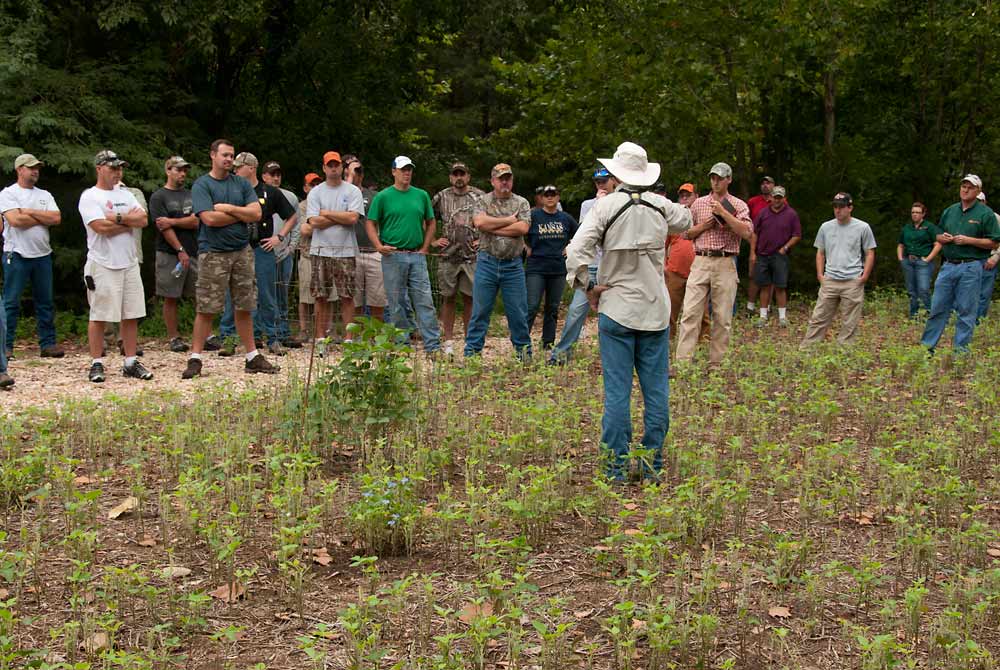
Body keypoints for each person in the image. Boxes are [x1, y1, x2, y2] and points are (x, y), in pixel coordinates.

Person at [565, 141, 691, 482]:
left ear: (617, 173)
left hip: (617, 309)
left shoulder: (605, 208)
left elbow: (575, 251)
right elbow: (687, 219)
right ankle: (652, 466)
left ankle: (616, 469)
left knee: (617, 394)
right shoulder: (661, 205)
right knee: (657, 393)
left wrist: (587, 288)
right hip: (654, 310)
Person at [181, 139, 277, 378]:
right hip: (213, 252)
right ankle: (195, 358)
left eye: (231, 155)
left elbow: (256, 213)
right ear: (212, 155)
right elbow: (209, 220)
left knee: (245, 304)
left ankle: (252, 356)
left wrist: (226, 208)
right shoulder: (202, 184)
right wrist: (240, 214)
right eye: (224, 154)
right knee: (207, 307)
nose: (228, 159)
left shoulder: (241, 184)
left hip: (242, 251)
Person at [78, 150, 152, 382]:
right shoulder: (90, 196)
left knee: (131, 313)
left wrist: (116, 218)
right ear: (99, 168)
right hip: (102, 263)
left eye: (119, 168)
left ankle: (130, 361)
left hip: (128, 262)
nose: (117, 172)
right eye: (112, 168)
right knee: (99, 314)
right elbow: (100, 226)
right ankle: (96, 362)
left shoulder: (126, 194)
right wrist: (126, 222)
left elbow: (143, 220)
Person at [219, 152, 297, 356]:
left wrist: (279, 237)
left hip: (261, 248)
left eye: (238, 167)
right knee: (233, 295)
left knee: (266, 294)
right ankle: (229, 339)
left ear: (251, 168)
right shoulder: (231, 190)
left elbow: (291, 216)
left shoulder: (269, 192)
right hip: (235, 247)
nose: (234, 170)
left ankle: (272, 337)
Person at [674, 162, 752, 365]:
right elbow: (685, 233)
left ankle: (717, 363)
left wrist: (724, 214)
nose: (716, 182)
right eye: (713, 178)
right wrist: (705, 225)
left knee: (722, 316)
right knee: (690, 312)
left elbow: (747, 232)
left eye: (720, 178)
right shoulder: (698, 204)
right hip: (700, 260)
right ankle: (683, 361)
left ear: (729, 180)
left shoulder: (739, 205)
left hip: (726, 261)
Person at [365, 156, 441, 352]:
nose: (407, 173)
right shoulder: (382, 197)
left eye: (409, 169)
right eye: (403, 169)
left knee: (424, 301)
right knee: (396, 302)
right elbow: (370, 222)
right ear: (393, 172)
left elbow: (431, 221)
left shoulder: (421, 195)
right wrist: (378, 245)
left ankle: (432, 347)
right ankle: (402, 345)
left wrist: (426, 247)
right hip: (393, 255)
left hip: (417, 254)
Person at [920, 175, 1000, 354]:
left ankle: (960, 355)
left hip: (971, 266)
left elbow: (994, 242)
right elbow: (938, 234)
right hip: (948, 265)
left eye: (970, 187)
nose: (965, 190)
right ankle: (926, 350)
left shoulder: (986, 214)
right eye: (963, 186)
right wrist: (942, 238)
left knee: (966, 311)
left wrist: (969, 240)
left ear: (978, 191)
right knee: (937, 308)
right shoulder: (950, 210)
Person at [463, 163, 532, 359]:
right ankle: (472, 356)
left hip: (513, 265)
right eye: (500, 178)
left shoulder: (521, 202)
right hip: (487, 263)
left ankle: (524, 355)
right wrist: (510, 220)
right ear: (492, 181)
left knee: (518, 313)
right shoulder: (483, 201)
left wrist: (492, 227)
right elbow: (479, 222)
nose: (504, 182)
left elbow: (523, 229)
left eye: (508, 178)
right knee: (480, 312)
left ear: (512, 180)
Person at [0, 153, 64, 362]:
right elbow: (15, 220)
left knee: (45, 301)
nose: (35, 171)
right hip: (16, 253)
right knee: (11, 302)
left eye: (37, 167)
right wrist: (40, 217)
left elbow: (56, 218)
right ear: (19, 169)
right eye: (30, 167)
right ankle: (6, 347)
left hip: (42, 254)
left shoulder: (44, 194)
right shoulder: (8, 193)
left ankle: (48, 344)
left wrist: (28, 211)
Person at [548, 168, 611, 364]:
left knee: (611, 314)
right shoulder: (588, 205)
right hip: (592, 265)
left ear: (613, 181)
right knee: (576, 311)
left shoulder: (621, 203)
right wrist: (599, 205)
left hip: (611, 266)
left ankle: (611, 357)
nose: (601, 185)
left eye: (604, 181)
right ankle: (560, 355)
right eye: (597, 182)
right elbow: (587, 231)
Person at [800, 192, 877, 346]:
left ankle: (844, 353)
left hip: (852, 280)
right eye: (835, 206)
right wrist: (820, 275)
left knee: (850, 322)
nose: (837, 210)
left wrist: (864, 276)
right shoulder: (825, 227)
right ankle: (807, 350)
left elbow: (870, 252)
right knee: (818, 317)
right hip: (830, 280)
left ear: (850, 208)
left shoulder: (863, 227)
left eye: (841, 207)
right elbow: (820, 252)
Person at [306, 151, 365, 347]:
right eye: (329, 165)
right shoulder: (316, 192)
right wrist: (340, 216)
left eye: (336, 165)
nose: (333, 168)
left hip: (346, 251)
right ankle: (321, 338)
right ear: (324, 168)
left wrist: (326, 213)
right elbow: (313, 221)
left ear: (342, 167)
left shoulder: (352, 191)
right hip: (320, 251)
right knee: (320, 296)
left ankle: (348, 339)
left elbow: (353, 219)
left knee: (347, 296)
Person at [432, 162, 484, 355]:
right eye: (455, 174)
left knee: (470, 298)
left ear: (468, 176)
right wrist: (433, 240)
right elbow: (425, 217)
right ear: (450, 177)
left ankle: (470, 342)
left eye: (462, 174)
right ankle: (448, 342)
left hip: (472, 256)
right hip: (448, 256)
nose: (459, 177)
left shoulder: (480, 196)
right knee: (448, 298)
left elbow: (492, 218)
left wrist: (484, 239)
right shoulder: (441, 196)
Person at [149, 155, 199, 352]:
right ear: (168, 170)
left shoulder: (191, 194)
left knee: (198, 295)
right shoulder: (159, 197)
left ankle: (202, 335)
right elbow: (162, 226)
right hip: (169, 252)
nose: (182, 174)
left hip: (194, 250)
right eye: (178, 170)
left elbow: (196, 221)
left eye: (185, 170)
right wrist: (179, 250)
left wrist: (174, 221)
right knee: (170, 296)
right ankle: (174, 337)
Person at [525, 185, 577, 350]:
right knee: (532, 305)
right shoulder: (533, 216)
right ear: (541, 198)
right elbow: (519, 232)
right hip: (536, 267)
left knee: (552, 308)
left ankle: (548, 342)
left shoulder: (565, 218)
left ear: (558, 197)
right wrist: (525, 247)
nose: (549, 198)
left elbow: (582, 234)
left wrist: (570, 246)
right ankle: (522, 341)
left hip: (558, 268)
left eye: (552, 195)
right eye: (546, 195)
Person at [261, 160, 302, 348]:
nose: (276, 177)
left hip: (284, 253)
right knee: (262, 294)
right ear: (264, 176)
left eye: (278, 174)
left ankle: (283, 332)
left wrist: (290, 248)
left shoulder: (290, 197)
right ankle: (260, 333)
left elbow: (296, 224)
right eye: (272, 174)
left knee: (282, 294)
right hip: (262, 251)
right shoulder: (256, 195)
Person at [751, 185, 801, 327]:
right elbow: (755, 233)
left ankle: (782, 317)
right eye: (775, 197)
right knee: (764, 286)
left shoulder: (791, 214)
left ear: (784, 199)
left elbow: (797, 235)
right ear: (771, 198)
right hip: (762, 254)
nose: (777, 200)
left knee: (780, 286)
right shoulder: (763, 213)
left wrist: (785, 248)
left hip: (780, 255)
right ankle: (763, 316)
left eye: (780, 197)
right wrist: (753, 252)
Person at [664, 182, 709, 341]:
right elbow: (663, 244)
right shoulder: (674, 218)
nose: (684, 198)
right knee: (670, 311)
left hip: (698, 271)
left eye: (688, 195)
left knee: (701, 312)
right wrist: (664, 266)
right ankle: (667, 342)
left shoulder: (703, 215)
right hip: (674, 271)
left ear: (696, 196)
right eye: (682, 196)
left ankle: (703, 343)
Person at [344, 156, 387, 323]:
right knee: (353, 300)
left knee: (377, 300)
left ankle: (376, 337)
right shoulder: (341, 192)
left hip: (373, 252)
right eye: (352, 170)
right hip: (350, 252)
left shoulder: (375, 195)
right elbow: (342, 206)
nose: (357, 174)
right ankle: (354, 338)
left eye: (359, 170)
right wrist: (349, 179)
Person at [896, 202, 939, 318]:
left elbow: (938, 244)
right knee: (911, 290)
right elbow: (900, 245)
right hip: (908, 261)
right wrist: (901, 259)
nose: (915, 215)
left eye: (918, 212)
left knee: (923, 289)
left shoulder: (929, 227)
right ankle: (913, 315)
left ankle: (929, 314)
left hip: (923, 262)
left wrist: (928, 259)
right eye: (913, 212)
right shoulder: (907, 228)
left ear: (923, 214)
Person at [295, 173, 323, 337]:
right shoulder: (302, 207)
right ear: (305, 188)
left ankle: (330, 330)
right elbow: (305, 230)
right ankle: (303, 329)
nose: (315, 188)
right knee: (305, 295)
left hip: (327, 255)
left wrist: (318, 224)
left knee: (329, 294)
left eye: (318, 184)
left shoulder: (327, 202)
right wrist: (328, 223)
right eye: (312, 185)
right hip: (307, 254)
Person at [745, 176, 775, 316]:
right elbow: (746, 221)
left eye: (768, 183)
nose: (765, 185)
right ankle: (750, 307)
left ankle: (767, 307)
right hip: (756, 244)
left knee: (772, 277)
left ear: (773, 186)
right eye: (763, 183)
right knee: (754, 276)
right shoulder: (753, 202)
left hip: (775, 245)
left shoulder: (780, 201)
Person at [975, 192, 1000, 322]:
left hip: (989, 259)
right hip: (972, 259)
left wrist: (995, 257)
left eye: (980, 201)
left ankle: (979, 320)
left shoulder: (995, 217)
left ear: (985, 202)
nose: (978, 203)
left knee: (984, 292)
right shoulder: (968, 216)